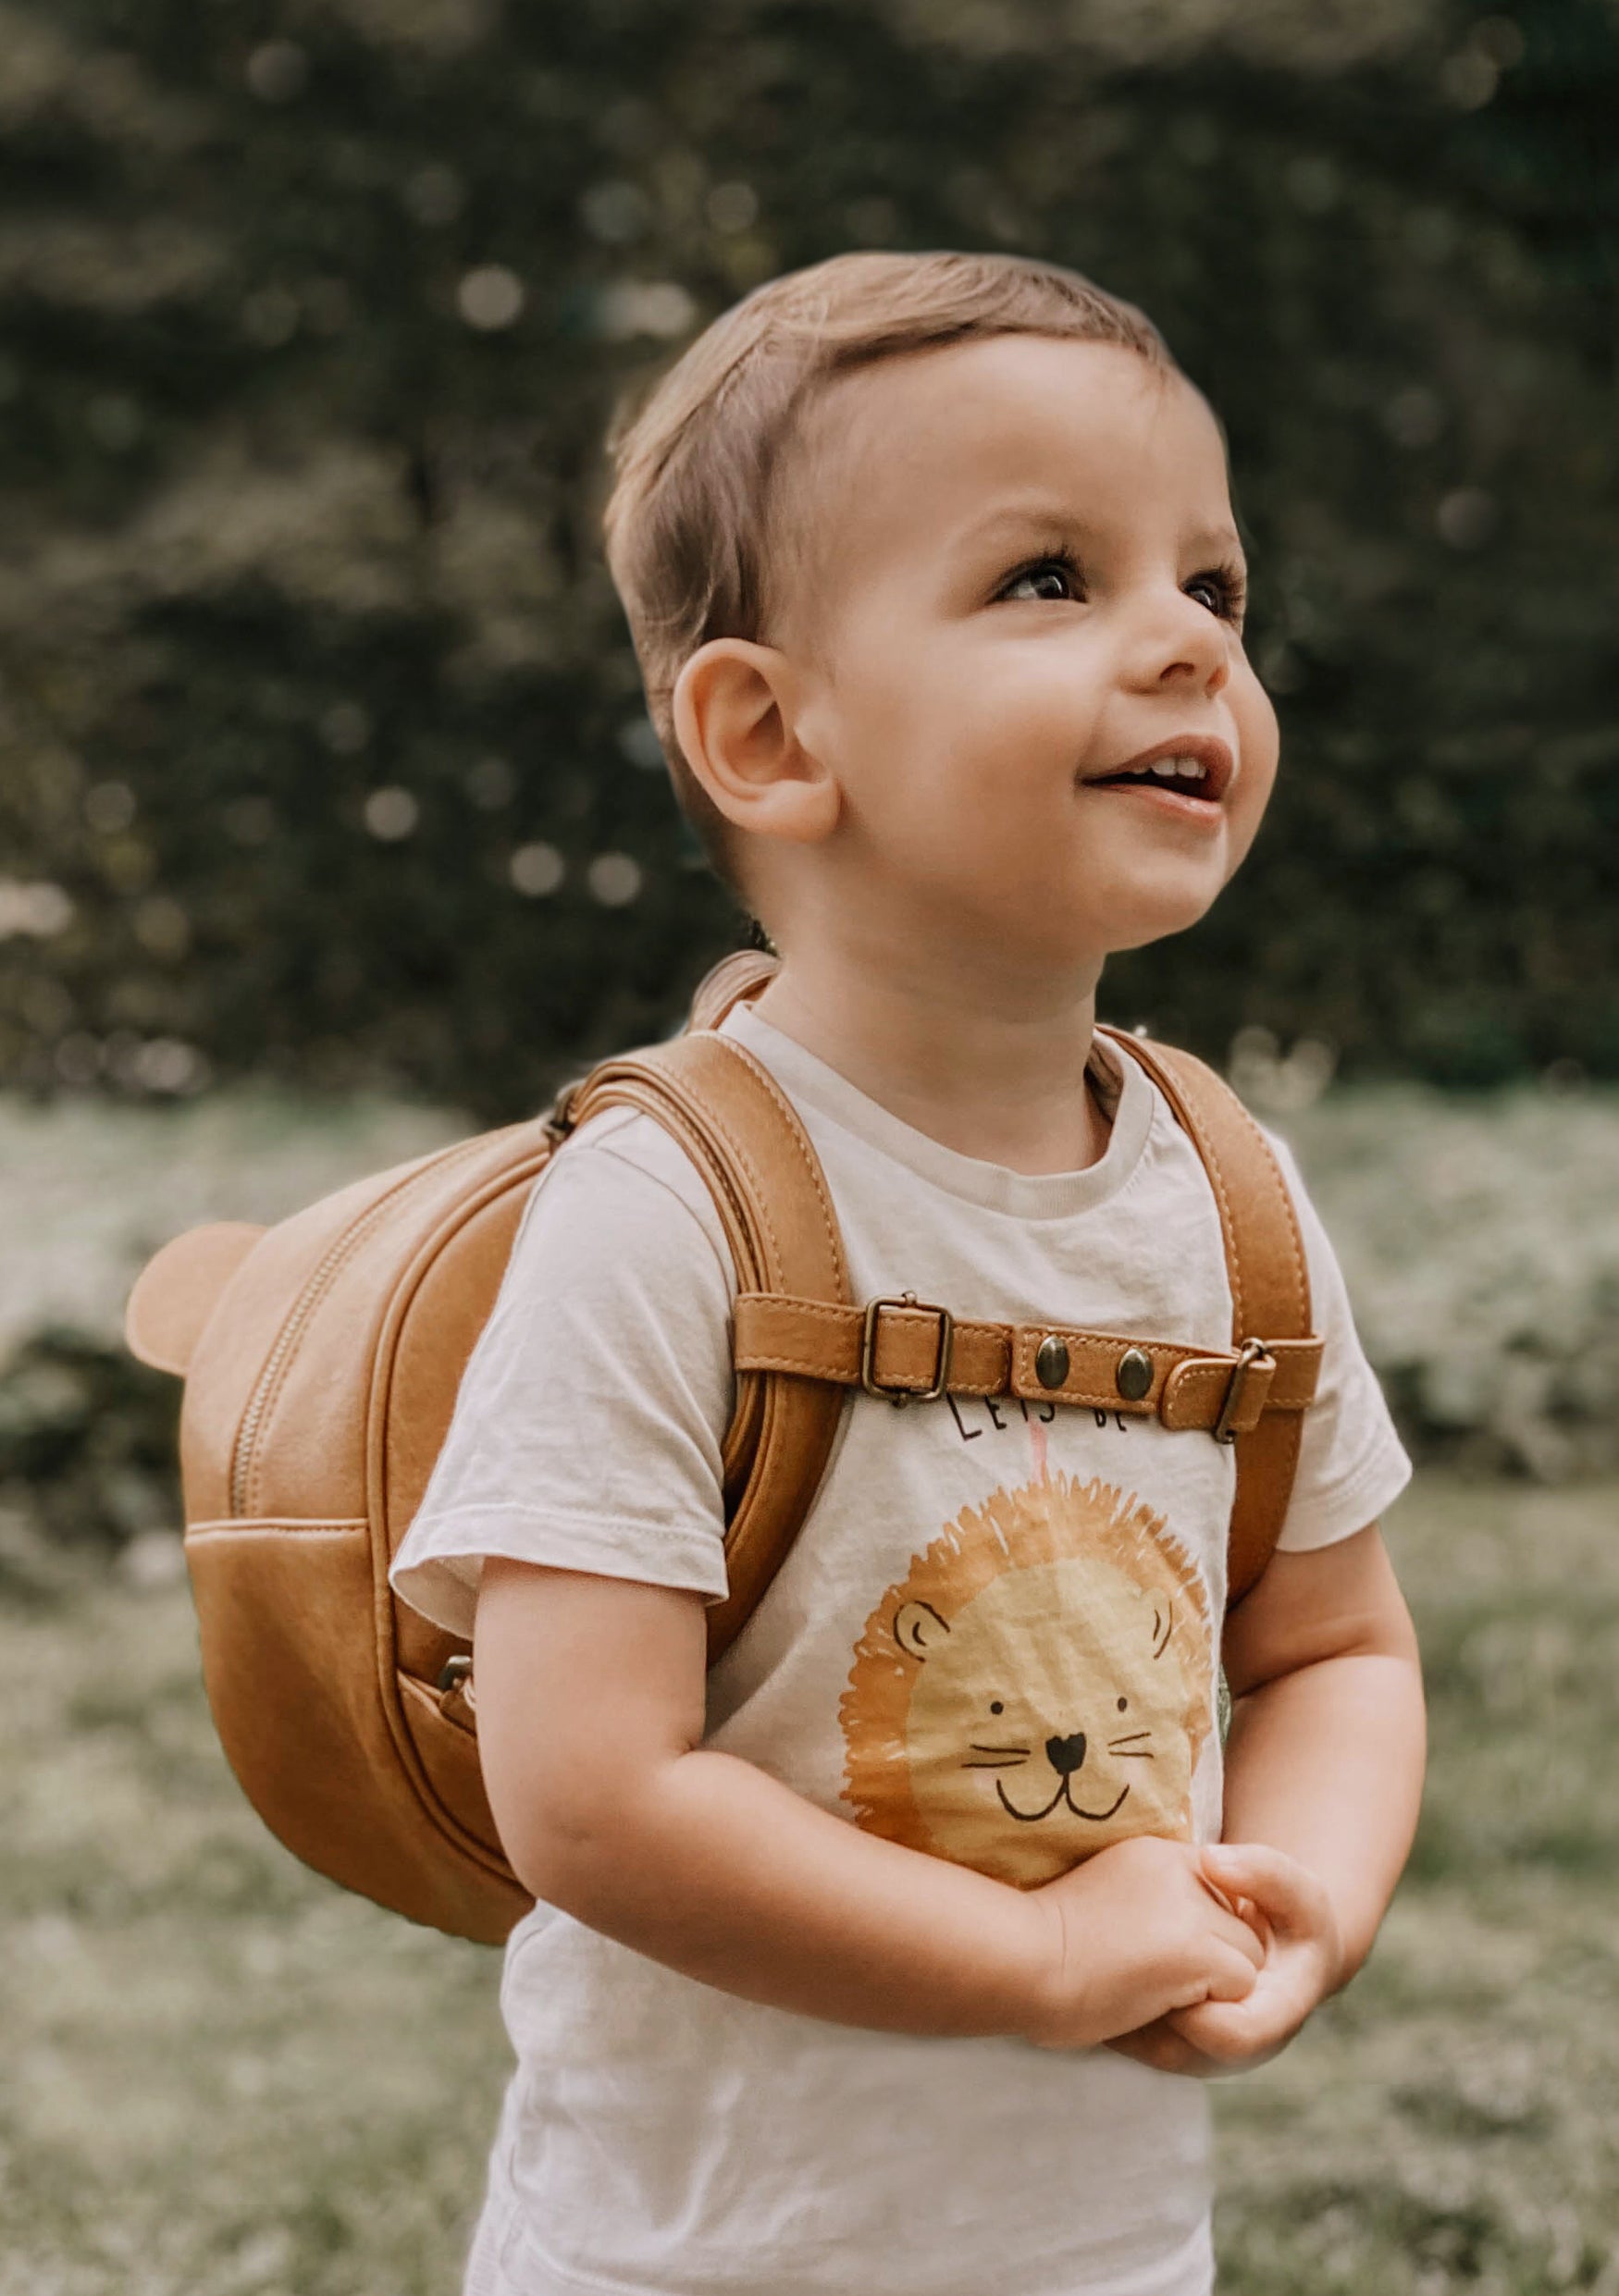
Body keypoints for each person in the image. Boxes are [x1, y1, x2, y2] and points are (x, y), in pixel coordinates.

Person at [390, 250, 1426, 2296]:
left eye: (1211, 589)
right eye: (1048, 576)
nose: (1181, 649)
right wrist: (1032, 1945)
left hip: (1102, 2244)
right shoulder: (670, 1199)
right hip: (686, 2253)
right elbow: (585, 1792)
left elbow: (1332, 1648)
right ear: (770, 730)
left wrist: (1300, 1888)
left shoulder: (1224, 1199)